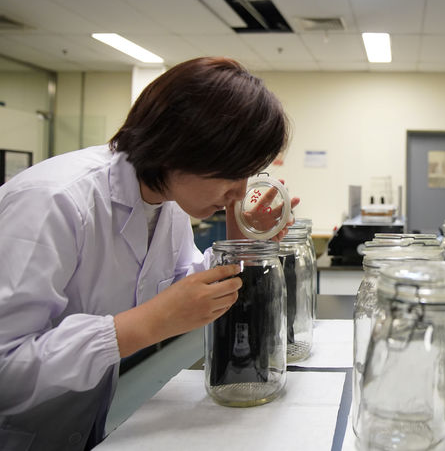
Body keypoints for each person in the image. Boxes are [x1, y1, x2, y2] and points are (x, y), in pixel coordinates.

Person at [0, 57, 300, 450]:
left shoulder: (165, 205)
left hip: (80, 425)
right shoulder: (52, 201)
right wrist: (145, 324)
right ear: (179, 148)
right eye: (231, 172)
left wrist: (240, 249)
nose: (241, 193)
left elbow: (187, 289)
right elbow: (6, 367)